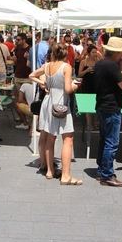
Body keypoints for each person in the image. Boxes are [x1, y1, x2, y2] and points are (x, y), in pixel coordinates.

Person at [30, 44, 81, 185]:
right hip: (61, 105)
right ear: (65, 54)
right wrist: (75, 85)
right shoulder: (66, 67)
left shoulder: (46, 66)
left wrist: (43, 83)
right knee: (68, 138)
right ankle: (66, 176)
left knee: (49, 138)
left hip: (48, 103)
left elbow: (31, 75)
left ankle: (50, 171)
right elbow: (67, 89)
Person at [93, 37, 122, 187]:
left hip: (101, 105)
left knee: (104, 139)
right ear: (117, 53)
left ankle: (102, 170)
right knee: (111, 142)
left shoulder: (99, 64)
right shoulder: (113, 66)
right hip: (111, 107)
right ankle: (107, 175)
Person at [77, 44, 101, 130]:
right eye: (93, 52)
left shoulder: (98, 61)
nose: (95, 54)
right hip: (87, 84)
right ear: (89, 53)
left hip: (96, 84)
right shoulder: (84, 62)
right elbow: (79, 74)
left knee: (96, 103)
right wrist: (87, 70)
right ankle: (89, 124)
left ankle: (95, 123)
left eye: (96, 52)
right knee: (88, 105)